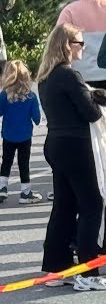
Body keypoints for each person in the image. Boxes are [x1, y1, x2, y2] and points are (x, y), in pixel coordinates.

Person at [37, 23, 106, 291]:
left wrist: (90, 93)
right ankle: (88, 271)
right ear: (67, 45)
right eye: (79, 43)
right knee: (92, 204)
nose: (82, 47)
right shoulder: (70, 76)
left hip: (56, 143)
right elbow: (91, 113)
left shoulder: (46, 77)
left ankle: (55, 268)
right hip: (77, 144)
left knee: (64, 206)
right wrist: (99, 98)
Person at [0, 61, 43, 204]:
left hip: (8, 134)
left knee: (6, 161)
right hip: (25, 135)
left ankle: (2, 188)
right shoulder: (31, 97)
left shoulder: (4, 95)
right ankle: (25, 192)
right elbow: (36, 118)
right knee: (23, 163)